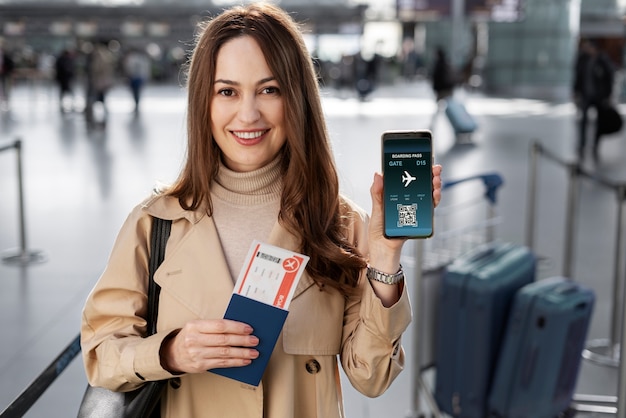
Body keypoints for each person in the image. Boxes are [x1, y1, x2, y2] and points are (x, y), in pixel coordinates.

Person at [80, 4, 442, 418]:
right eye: (227, 91)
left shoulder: (339, 224)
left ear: (297, 98)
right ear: (204, 101)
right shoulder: (155, 223)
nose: (248, 114)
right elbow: (99, 354)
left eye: (269, 90)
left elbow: (371, 377)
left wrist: (385, 259)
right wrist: (170, 352)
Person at [573, 39, 615, 159]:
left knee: (599, 122)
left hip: (599, 97)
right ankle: (582, 145)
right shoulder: (583, 59)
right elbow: (578, 76)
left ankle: (595, 146)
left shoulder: (602, 60)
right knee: (583, 121)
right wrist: (576, 92)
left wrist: (608, 95)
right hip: (586, 95)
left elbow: (609, 78)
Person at [85, 40, 116, 126]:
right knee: (101, 97)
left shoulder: (99, 57)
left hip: (99, 81)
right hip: (103, 80)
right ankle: (101, 109)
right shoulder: (107, 56)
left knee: (95, 96)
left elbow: (96, 69)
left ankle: (90, 110)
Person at [123, 48, 151, 114]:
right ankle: (136, 104)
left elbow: (130, 69)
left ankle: (136, 104)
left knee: (136, 92)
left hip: (135, 78)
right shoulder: (142, 59)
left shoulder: (133, 59)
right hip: (137, 78)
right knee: (136, 92)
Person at [54, 49, 76, 113]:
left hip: (64, 79)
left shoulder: (63, 60)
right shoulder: (64, 60)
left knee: (65, 91)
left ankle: (70, 103)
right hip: (64, 79)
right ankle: (67, 103)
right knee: (66, 91)